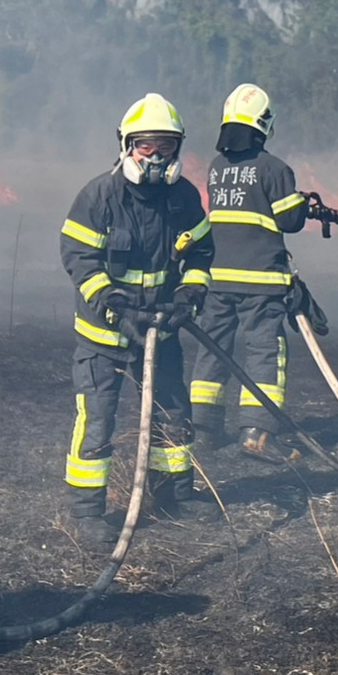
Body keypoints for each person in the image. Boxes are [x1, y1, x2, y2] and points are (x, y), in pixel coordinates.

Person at [56, 93, 215, 543]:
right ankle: (87, 512)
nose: (157, 156)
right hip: (103, 335)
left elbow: (201, 252)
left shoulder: (183, 198)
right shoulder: (99, 196)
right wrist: (114, 305)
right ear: (127, 145)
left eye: (166, 146)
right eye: (147, 146)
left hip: (161, 329)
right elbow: (79, 258)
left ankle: (174, 494)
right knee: (98, 418)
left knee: (173, 411)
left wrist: (190, 295)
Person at [188, 83, 312, 456]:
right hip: (261, 282)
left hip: (217, 278)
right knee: (263, 352)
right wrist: (304, 205)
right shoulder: (275, 168)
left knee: (213, 349)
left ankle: (204, 430)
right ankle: (255, 433)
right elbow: (289, 219)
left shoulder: (216, 167)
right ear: (265, 124)